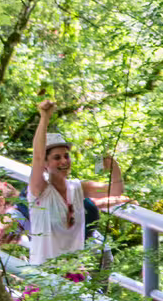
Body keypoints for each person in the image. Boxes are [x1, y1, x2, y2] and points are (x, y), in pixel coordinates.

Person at [25, 97, 127, 265]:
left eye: (66, 156)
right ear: (46, 164)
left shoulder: (78, 188)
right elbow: (37, 156)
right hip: (43, 276)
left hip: (73, 275)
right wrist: (44, 118)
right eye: (57, 158)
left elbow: (115, 191)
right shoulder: (39, 190)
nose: (64, 161)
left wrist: (113, 166)